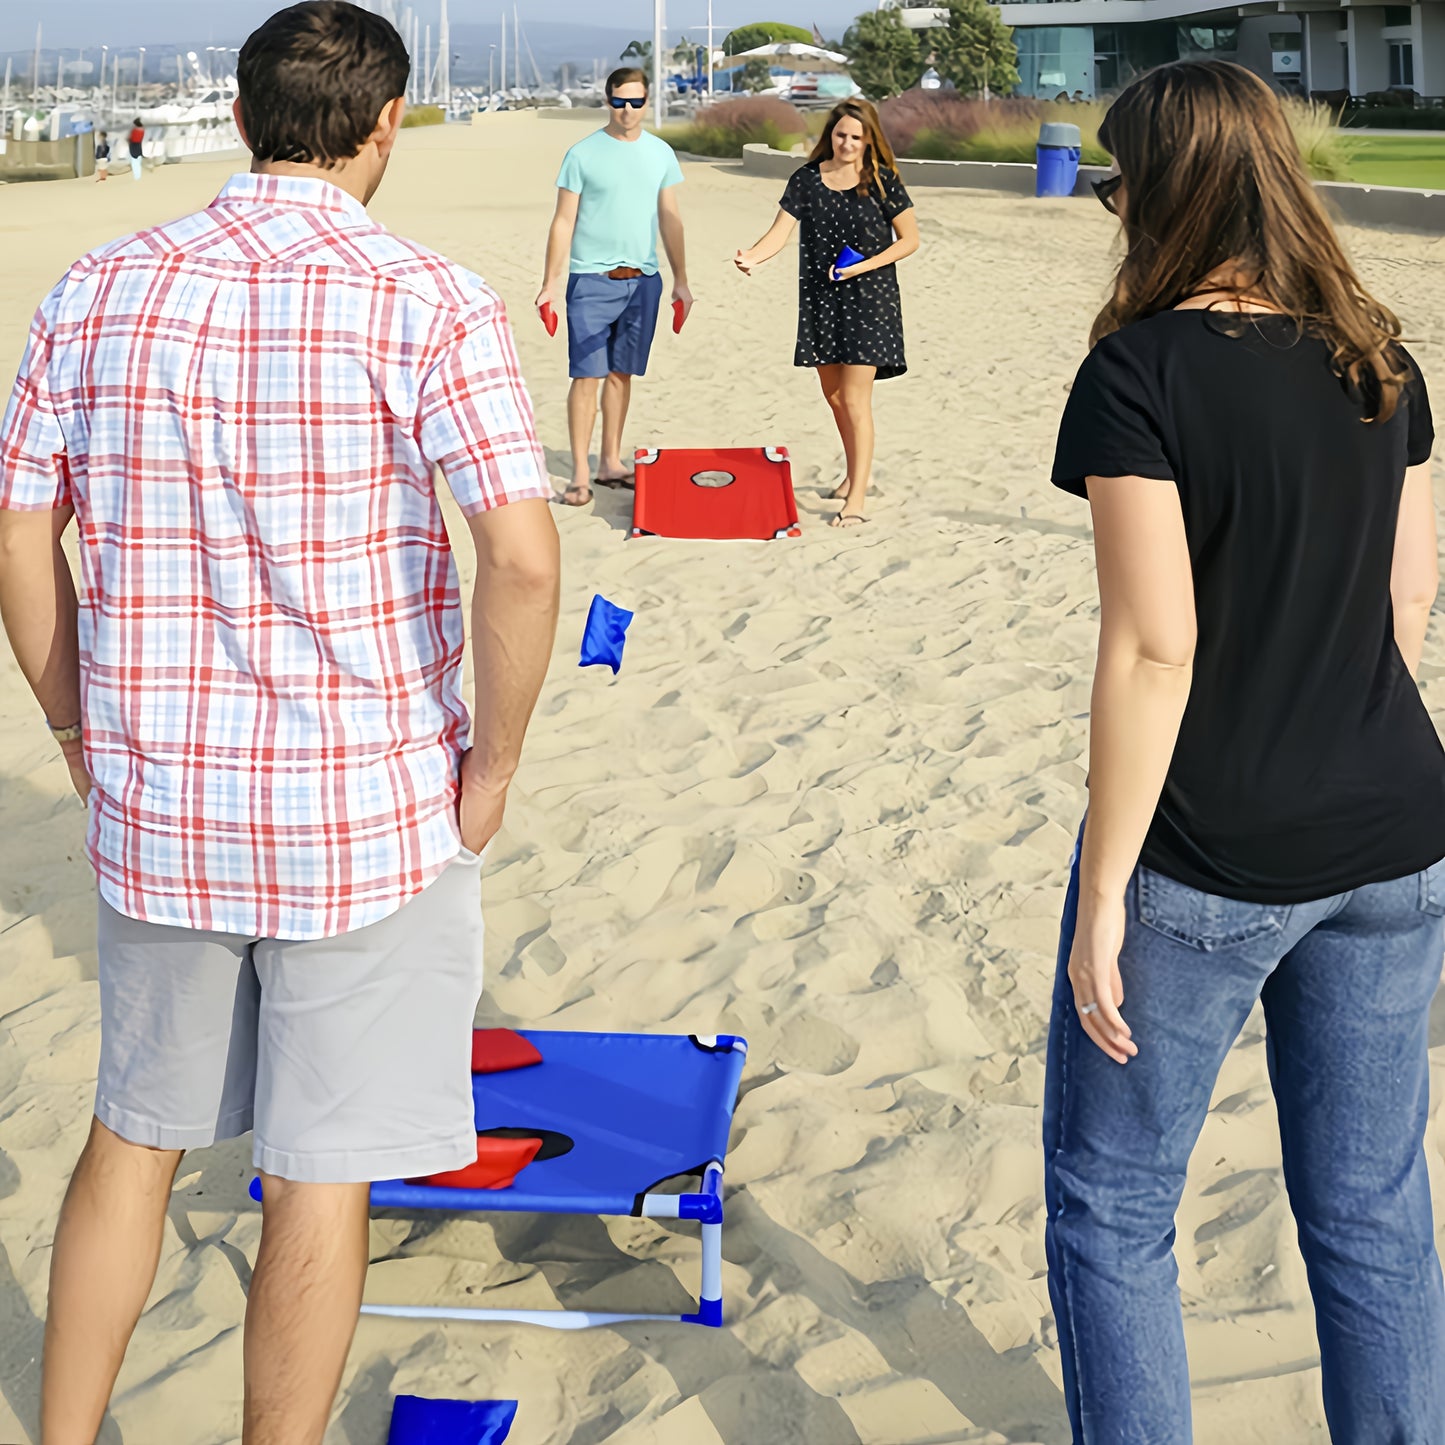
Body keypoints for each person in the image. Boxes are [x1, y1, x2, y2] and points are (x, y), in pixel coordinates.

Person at [0, 4, 559, 1442]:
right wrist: (491, 762)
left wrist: (72, 726)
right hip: (364, 804)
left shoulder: (100, 282)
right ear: (385, 128)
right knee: (322, 1173)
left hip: (164, 795)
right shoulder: (428, 296)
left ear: (244, 119)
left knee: (134, 1137)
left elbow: (20, 531)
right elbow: (520, 551)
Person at [1044, 59, 1445, 1443]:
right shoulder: (1378, 358)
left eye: (1116, 182)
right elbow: (1405, 605)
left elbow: (1156, 651)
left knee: (1111, 1208)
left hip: (1212, 850)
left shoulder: (1138, 373)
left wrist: (1102, 894)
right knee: (1372, 1208)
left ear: (1160, 194)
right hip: (1395, 827)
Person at [734, 99, 919, 528]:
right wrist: (752, 257)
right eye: (841, 135)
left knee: (855, 399)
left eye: (857, 137)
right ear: (829, 136)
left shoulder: (882, 181)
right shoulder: (806, 180)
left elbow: (909, 239)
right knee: (835, 397)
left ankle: (856, 496)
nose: (848, 143)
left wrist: (866, 265)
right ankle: (853, 474)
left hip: (871, 299)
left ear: (869, 140)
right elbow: (778, 234)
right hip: (821, 300)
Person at [536, 66, 692, 507]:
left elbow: (670, 219)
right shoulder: (582, 154)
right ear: (608, 101)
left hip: (643, 282)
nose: (627, 110)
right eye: (620, 101)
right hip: (590, 280)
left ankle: (610, 461)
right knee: (587, 376)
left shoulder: (661, 153)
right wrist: (550, 283)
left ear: (647, 103)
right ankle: (581, 474)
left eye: (636, 102)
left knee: (622, 375)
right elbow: (563, 221)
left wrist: (682, 281)